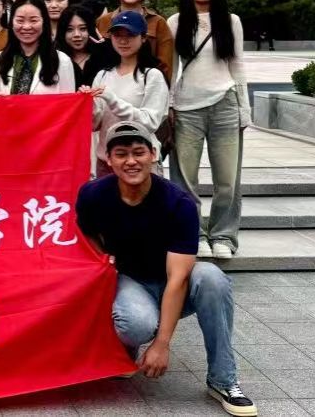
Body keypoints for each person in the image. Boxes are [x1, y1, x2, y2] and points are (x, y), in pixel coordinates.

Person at [76, 122, 257, 417]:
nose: (131, 161)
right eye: (121, 154)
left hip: (174, 280)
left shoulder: (178, 203)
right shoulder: (93, 195)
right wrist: (102, 258)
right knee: (135, 324)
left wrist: (162, 344)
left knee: (212, 278)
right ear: (108, 159)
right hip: (131, 280)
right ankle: (126, 347)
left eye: (138, 152)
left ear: (153, 155)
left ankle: (223, 380)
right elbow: (85, 231)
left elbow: (179, 278)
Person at [167, 0, 250, 260]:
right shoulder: (176, 21)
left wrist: (244, 109)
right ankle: (195, 234)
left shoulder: (231, 20)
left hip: (225, 103)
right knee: (184, 179)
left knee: (227, 179)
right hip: (187, 108)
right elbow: (171, 67)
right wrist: (169, 105)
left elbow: (237, 64)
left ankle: (223, 235)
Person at [89, 11, 169, 178]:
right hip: (107, 161)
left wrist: (113, 100)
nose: (123, 41)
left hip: (140, 161)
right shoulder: (102, 75)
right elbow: (95, 124)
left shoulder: (152, 76)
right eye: (117, 35)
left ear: (143, 38)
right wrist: (86, 102)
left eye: (130, 35)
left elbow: (150, 122)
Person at [98, 0, 175, 83]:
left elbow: (165, 66)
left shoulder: (158, 22)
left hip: (146, 85)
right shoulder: (104, 21)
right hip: (108, 85)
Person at [0, 0, 75, 95]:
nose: (26, 26)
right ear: (12, 23)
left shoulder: (62, 61)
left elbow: (69, 102)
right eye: (20, 20)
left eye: (33, 20)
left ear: (44, 22)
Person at [57, 4, 116, 88]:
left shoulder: (105, 54)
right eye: (69, 29)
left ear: (90, 30)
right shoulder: (56, 59)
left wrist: (106, 47)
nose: (77, 34)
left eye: (83, 29)